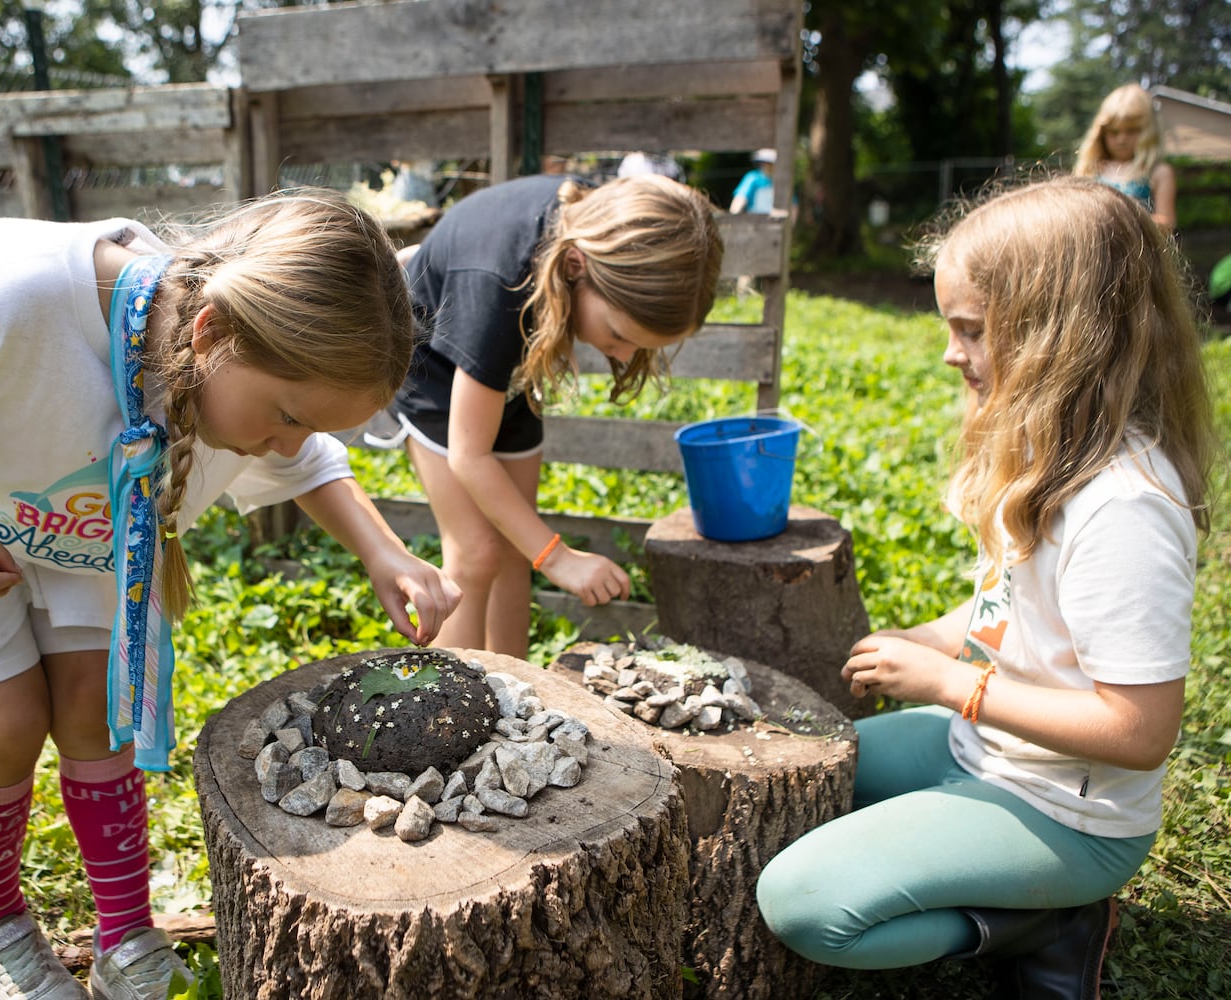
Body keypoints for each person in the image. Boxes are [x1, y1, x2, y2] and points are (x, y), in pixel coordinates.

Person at [0, 191, 462, 1000]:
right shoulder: (12, 299)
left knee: (94, 710)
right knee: (7, 719)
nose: (286, 443)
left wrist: (382, 550)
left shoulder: (236, 374)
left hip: (79, 521)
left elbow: (309, 459)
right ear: (211, 332)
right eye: (286, 416)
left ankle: (123, 931)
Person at [755, 177, 1218, 1000]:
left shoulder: (1125, 509)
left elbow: (1140, 730)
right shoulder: (1050, 455)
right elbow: (1013, 604)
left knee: (805, 904)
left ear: (1057, 337)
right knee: (805, 769)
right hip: (987, 752)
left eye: (970, 330)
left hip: (1070, 815)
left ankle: (1050, 922)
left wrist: (949, 685)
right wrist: (936, 638)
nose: (948, 351)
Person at [369, 172, 723, 657]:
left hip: (509, 366)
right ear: (576, 266)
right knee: (476, 553)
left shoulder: (598, 230)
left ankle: (513, 693)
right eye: (619, 335)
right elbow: (469, 458)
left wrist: (538, 551)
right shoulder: (500, 280)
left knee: (516, 550)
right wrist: (558, 558)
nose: (621, 357)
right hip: (435, 368)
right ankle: (448, 714)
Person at [1074, 83, 1177, 230]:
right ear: (1102, 133)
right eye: (1114, 132)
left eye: (1131, 131)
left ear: (1148, 131)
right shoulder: (1093, 169)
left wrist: (1123, 215)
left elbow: (1168, 223)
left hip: (1138, 250)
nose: (1121, 139)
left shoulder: (1158, 172)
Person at [729, 148, 778, 295]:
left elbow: (792, 204)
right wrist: (733, 218)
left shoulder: (779, 182)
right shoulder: (753, 178)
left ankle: (768, 296)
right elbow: (740, 199)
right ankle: (744, 296)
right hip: (753, 227)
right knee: (748, 264)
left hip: (774, 228)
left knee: (772, 264)